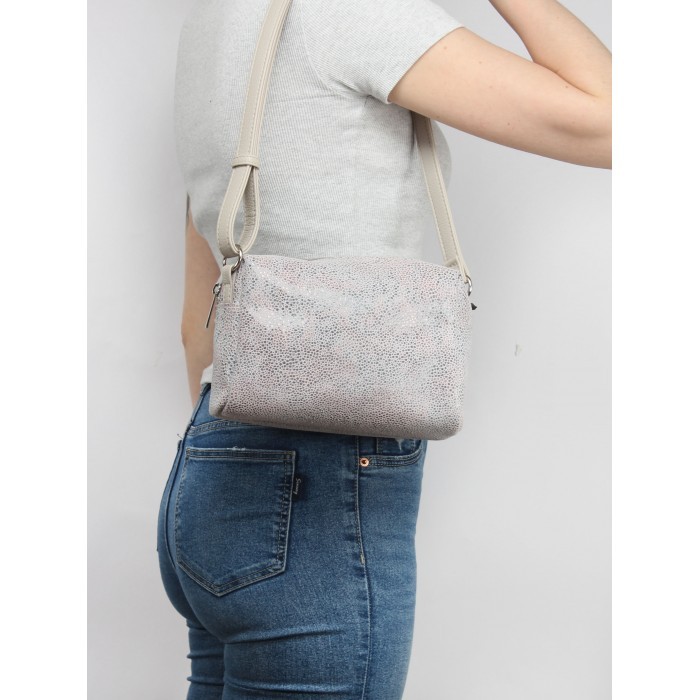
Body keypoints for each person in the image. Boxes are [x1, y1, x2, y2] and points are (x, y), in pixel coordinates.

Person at [157, 0, 611, 698]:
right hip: (314, 499)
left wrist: (246, 462)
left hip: (210, 474)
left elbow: (200, 322)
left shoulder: (213, 23)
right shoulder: (354, 12)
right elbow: (613, 119)